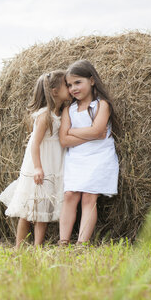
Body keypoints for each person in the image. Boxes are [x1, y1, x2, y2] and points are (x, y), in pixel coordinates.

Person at [0, 70, 72, 247]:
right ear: (55, 91)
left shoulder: (59, 114)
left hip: (53, 165)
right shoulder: (45, 116)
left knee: (43, 208)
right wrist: (38, 167)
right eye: (66, 85)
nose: (70, 88)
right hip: (40, 167)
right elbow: (35, 143)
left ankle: (38, 246)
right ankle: (19, 247)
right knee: (29, 209)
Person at [58, 59, 120, 245]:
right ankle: (63, 242)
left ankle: (81, 244)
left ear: (92, 81)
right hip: (77, 157)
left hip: (99, 156)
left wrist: (72, 131)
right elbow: (63, 140)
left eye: (78, 82)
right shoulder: (69, 109)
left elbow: (98, 131)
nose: (73, 88)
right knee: (70, 195)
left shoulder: (102, 105)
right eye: (69, 85)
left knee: (88, 197)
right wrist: (92, 133)